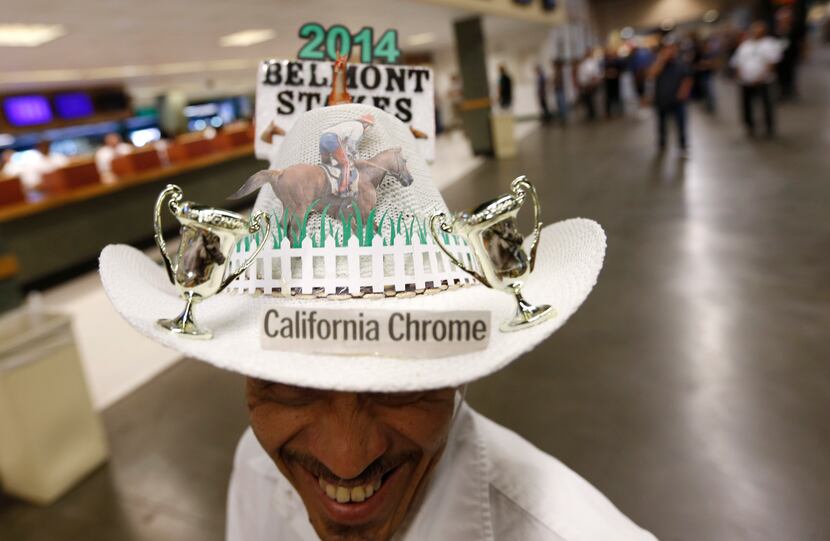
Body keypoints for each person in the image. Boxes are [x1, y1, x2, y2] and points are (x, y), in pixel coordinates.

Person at [101, 103, 658, 541]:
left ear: (459, 374)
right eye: (295, 387)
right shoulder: (254, 465)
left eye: (399, 385)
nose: (347, 458)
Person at [730, 21, 782, 138]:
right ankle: (750, 126)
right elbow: (737, 62)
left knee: (766, 105)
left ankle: (769, 128)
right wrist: (740, 75)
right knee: (747, 106)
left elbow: (772, 62)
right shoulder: (745, 45)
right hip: (746, 82)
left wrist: (761, 76)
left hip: (763, 81)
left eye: (759, 29)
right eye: (754, 29)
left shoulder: (769, 43)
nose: (756, 32)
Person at [648, 40, 693, 155]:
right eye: (667, 49)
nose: (670, 51)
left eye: (672, 49)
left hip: (677, 100)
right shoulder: (658, 63)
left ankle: (682, 144)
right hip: (662, 99)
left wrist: (683, 92)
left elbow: (688, 78)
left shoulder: (681, 63)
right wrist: (662, 60)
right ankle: (662, 144)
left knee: (681, 124)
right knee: (661, 124)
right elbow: (651, 74)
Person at [319, 113, 375, 197]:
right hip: (332, 138)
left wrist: (346, 153)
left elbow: (343, 144)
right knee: (346, 163)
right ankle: (343, 190)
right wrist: (355, 156)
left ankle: (325, 183)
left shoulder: (349, 125)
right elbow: (351, 144)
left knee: (326, 164)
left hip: (323, 137)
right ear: (367, 124)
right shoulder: (359, 127)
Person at [692, 36, 719, 114]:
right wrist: (702, 65)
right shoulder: (699, 54)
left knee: (710, 91)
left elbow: (715, 64)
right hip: (701, 75)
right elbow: (695, 64)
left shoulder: (711, 53)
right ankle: (707, 104)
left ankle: (711, 106)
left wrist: (707, 64)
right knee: (705, 91)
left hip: (708, 75)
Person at [576, 49, 601, 121]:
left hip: (589, 85)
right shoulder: (586, 63)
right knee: (588, 100)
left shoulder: (591, 63)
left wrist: (592, 83)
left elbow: (592, 74)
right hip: (586, 84)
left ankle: (592, 114)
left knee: (590, 100)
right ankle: (591, 113)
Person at [603, 46, 624, 118]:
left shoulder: (617, 61)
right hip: (608, 82)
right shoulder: (605, 62)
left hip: (616, 82)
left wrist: (614, 72)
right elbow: (603, 72)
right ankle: (608, 112)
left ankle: (619, 111)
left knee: (617, 97)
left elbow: (621, 70)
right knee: (608, 98)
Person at [552, 58, 569, 124]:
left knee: (561, 103)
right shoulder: (557, 71)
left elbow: (559, 81)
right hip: (558, 89)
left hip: (560, 88)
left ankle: (563, 117)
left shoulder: (560, 71)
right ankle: (562, 116)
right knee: (559, 103)